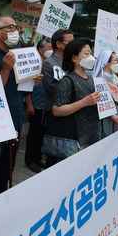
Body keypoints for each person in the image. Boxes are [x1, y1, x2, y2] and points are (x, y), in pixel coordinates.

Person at [0, 16, 40, 194]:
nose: (16, 31)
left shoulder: (18, 57)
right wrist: (6, 69)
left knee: (6, 172)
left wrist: (32, 82)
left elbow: (20, 92)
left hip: (15, 121)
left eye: (16, 27)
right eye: (11, 27)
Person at [52, 40, 118, 149]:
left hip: (94, 137)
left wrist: (114, 117)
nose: (91, 57)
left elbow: (98, 106)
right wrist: (84, 102)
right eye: (86, 54)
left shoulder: (92, 80)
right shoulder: (67, 81)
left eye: (91, 53)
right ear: (74, 58)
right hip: (76, 140)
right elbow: (56, 110)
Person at [42, 29, 74, 167]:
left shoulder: (72, 63)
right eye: (70, 42)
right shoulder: (49, 64)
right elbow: (54, 89)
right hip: (55, 112)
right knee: (54, 151)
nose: (73, 45)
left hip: (71, 111)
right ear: (59, 44)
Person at [24, 38, 51, 172]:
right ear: (41, 50)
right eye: (49, 47)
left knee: (41, 133)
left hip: (46, 106)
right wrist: (29, 105)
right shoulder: (33, 64)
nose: (51, 50)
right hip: (35, 105)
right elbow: (26, 88)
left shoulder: (49, 64)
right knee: (34, 133)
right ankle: (30, 160)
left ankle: (38, 157)